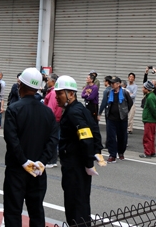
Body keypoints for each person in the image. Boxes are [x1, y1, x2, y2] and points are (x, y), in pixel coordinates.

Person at [2, 67, 58, 227]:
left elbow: (11, 139)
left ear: (20, 86)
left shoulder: (14, 109)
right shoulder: (48, 112)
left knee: (13, 210)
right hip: (39, 170)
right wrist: (42, 161)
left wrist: (23, 161)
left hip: (17, 169)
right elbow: (53, 139)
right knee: (36, 210)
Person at [55, 75, 103, 226]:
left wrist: (89, 161)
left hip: (74, 165)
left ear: (71, 94)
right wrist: (96, 152)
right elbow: (95, 130)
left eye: (60, 94)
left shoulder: (74, 112)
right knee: (81, 200)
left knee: (75, 203)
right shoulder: (79, 108)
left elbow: (86, 136)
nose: (57, 97)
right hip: (78, 163)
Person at [105, 77, 132, 162]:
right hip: (111, 118)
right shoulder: (109, 92)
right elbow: (106, 103)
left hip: (122, 118)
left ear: (119, 84)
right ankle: (112, 155)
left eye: (114, 83)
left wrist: (125, 112)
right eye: (111, 83)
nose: (112, 85)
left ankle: (121, 152)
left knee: (122, 137)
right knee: (111, 137)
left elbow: (130, 103)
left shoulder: (124, 93)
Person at [43, 74, 62, 168]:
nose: (47, 81)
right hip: (57, 118)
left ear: (53, 81)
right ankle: (53, 160)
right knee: (55, 138)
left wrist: (47, 119)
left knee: (51, 139)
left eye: (48, 80)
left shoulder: (53, 92)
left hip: (53, 119)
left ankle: (51, 160)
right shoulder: (55, 91)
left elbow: (51, 108)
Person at [139, 81, 156, 158]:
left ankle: (147, 152)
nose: (142, 89)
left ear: (147, 89)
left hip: (149, 119)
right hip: (151, 120)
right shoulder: (151, 96)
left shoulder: (150, 97)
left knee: (147, 137)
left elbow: (153, 109)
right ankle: (152, 151)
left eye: (143, 88)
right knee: (152, 136)